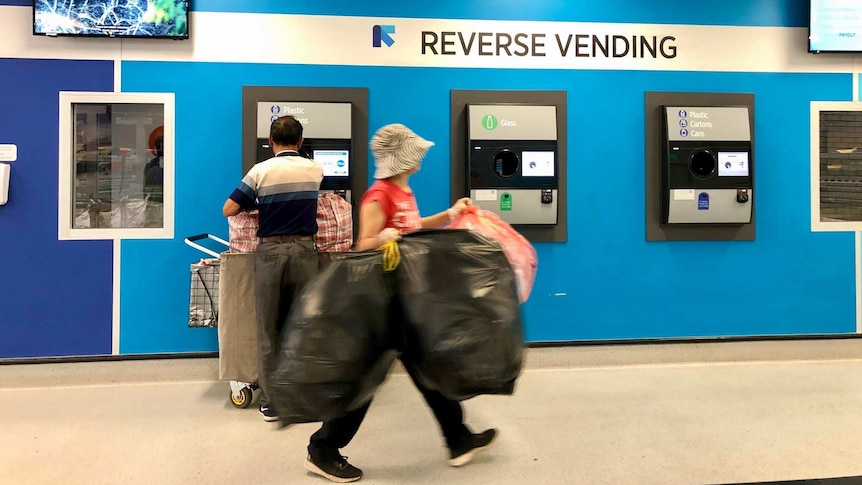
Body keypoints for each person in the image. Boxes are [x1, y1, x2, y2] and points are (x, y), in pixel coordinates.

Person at [302, 123, 496, 483]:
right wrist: (383, 237)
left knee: (430, 370)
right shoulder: (378, 195)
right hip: (382, 303)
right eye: (415, 153)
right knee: (366, 379)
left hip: (406, 298)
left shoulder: (402, 191)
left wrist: (451, 214)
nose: (421, 157)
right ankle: (322, 448)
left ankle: (459, 439)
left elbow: (413, 227)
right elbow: (363, 245)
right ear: (401, 157)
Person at [222, 115, 323, 423]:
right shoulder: (316, 169)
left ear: (270, 140)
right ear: (301, 141)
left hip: (270, 253)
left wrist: (259, 205)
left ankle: (272, 401)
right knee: (304, 325)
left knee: (269, 327)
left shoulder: (260, 170)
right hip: (307, 252)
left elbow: (228, 208)